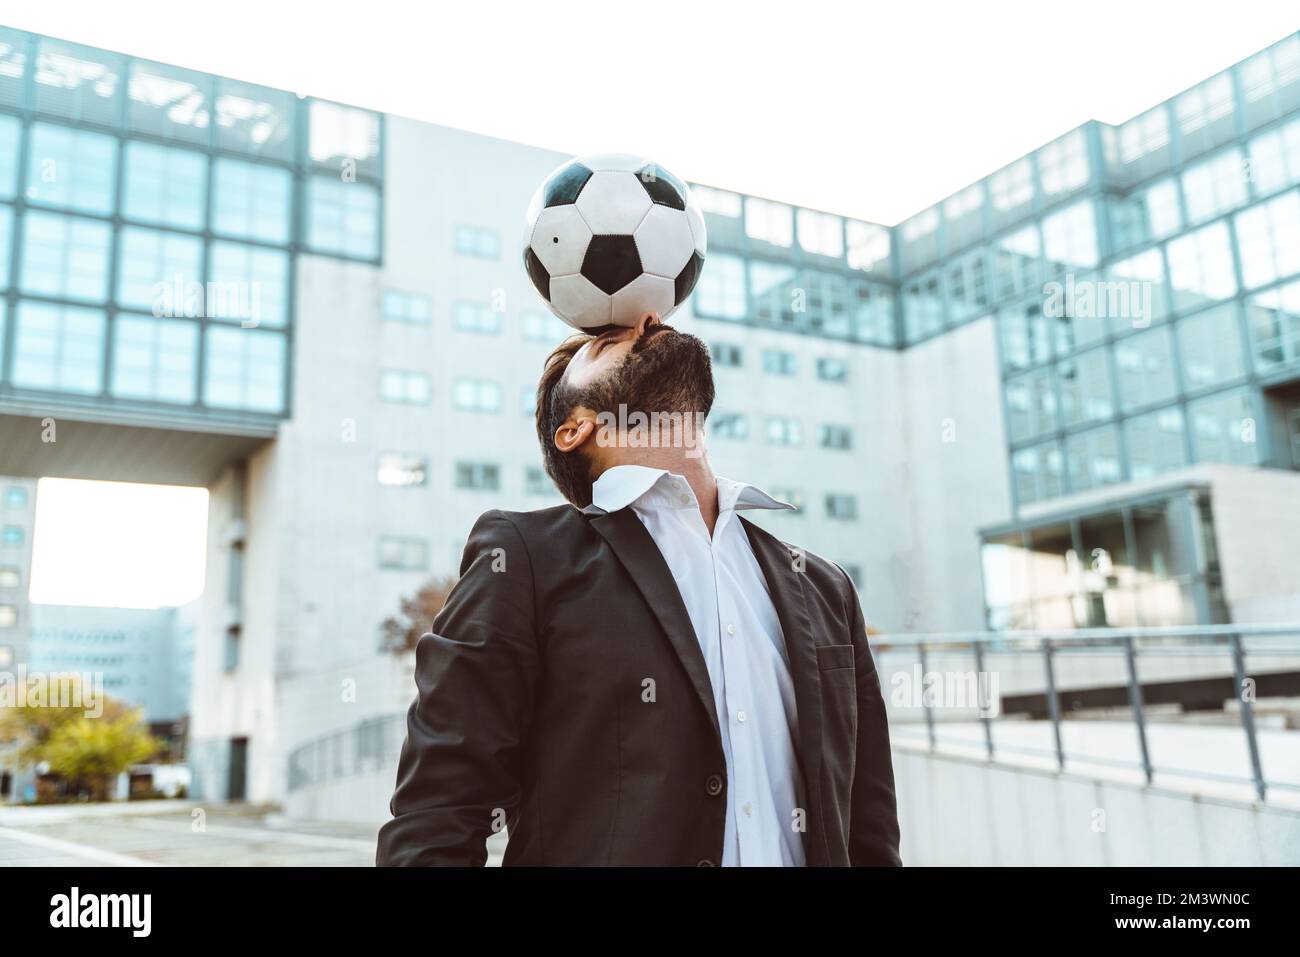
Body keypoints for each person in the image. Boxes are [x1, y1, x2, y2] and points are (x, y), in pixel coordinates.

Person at [376, 312, 900, 866]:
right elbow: (436, 815)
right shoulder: (524, 559)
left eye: (651, 317)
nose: (645, 317)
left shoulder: (824, 585)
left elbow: (870, 825)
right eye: (605, 340)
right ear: (576, 428)